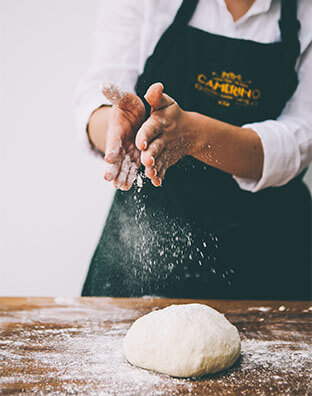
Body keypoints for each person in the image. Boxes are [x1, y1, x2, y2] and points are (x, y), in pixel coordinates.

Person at [74, 0, 312, 300]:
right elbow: (96, 95)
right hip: (144, 239)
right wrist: (119, 125)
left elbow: (299, 140)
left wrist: (196, 136)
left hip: (267, 250)